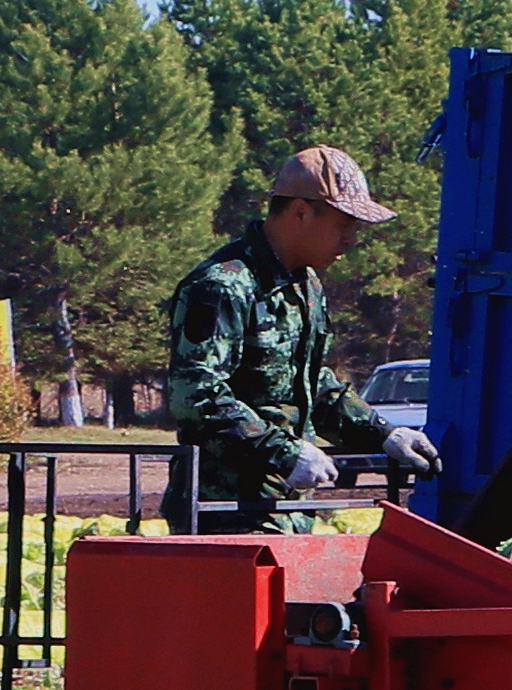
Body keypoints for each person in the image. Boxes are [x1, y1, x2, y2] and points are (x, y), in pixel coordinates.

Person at [168, 147, 435, 527]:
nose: (351, 239)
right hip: (224, 512)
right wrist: (283, 453)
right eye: (344, 225)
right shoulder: (223, 285)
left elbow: (312, 385)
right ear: (300, 212)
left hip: (287, 509)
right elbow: (196, 394)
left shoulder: (306, 285)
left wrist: (383, 434)